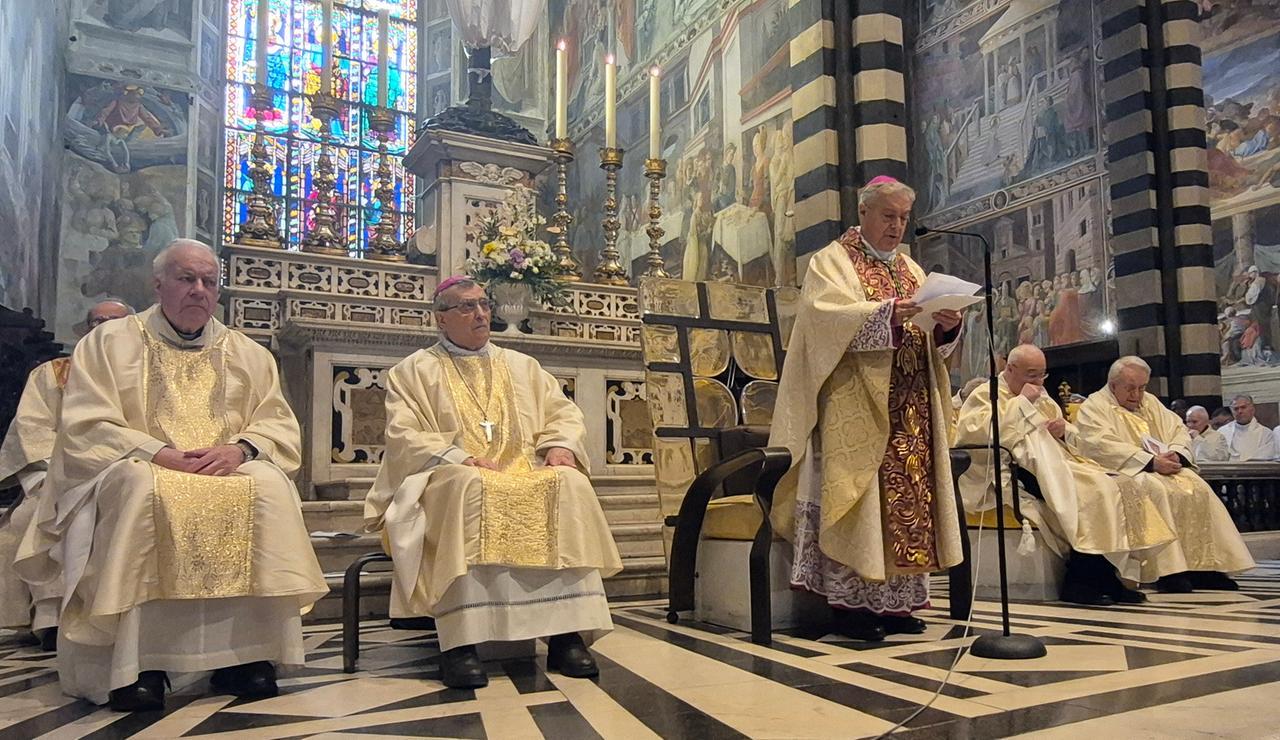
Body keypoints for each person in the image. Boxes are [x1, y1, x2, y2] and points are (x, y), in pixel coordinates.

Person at [16, 239, 328, 711]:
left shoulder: (248, 352)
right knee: (143, 489)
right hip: (135, 463)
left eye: (209, 281)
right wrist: (156, 452)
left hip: (224, 467)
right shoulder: (109, 343)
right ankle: (139, 665)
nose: (199, 290)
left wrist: (240, 449)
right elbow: (86, 424)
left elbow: (276, 422)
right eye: (186, 279)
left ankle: (246, 656)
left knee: (269, 487)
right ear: (158, 283)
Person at [366, 277, 623, 689]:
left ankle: (565, 634)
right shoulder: (414, 372)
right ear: (441, 319)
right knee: (470, 485)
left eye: (484, 304)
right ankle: (460, 642)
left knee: (569, 483)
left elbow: (564, 413)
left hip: (522, 469)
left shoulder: (522, 366)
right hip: (448, 474)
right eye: (467, 307)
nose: (481, 314)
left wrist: (560, 447)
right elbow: (404, 434)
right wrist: (459, 456)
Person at [768, 177, 966, 642]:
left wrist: (946, 327)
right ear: (863, 213)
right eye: (888, 216)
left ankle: (896, 606)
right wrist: (883, 314)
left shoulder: (912, 269)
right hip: (855, 404)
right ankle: (853, 609)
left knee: (908, 504)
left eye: (902, 218)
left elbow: (935, 345)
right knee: (862, 504)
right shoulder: (831, 262)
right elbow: (821, 321)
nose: (897, 227)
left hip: (912, 407)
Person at [956, 345, 1175, 605]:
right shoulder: (986, 393)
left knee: (1121, 485)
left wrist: (1064, 430)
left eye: (1042, 375)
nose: (1038, 382)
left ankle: (1109, 577)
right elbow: (973, 433)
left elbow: (1068, 435)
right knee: (1092, 493)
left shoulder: (1044, 396)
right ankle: (1081, 583)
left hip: (1057, 463)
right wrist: (1022, 403)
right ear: (1010, 369)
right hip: (1011, 470)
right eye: (1031, 375)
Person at [0, 300, 134, 649]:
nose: (102, 327)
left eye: (113, 322)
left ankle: (121, 614)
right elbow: (32, 428)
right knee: (35, 513)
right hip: (60, 474)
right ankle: (51, 616)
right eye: (96, 321)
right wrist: (51, 476)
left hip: (123, 473)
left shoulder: (145, 374)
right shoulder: (52, 374)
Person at [1074, 356, 1255, 592]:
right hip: (1128, 472)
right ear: (1113, 384)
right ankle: (1168, 571)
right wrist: (1150, 462)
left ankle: (1206, 567)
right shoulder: (1095, 407)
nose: (1137, 395)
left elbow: (1178, 429)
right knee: (1156, 489)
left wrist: (1177, 455)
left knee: (1197, 487)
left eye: (1142, 387)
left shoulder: (1150, 402)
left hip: (1163, 467)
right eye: (1130, 388)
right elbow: (1098, 443)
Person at [1220, 395, 1279, 461]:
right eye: (1236, 409)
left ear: (1252, 410)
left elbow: (1267, 456)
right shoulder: (1222, 432)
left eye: (1243, 407)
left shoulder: (1266, 433)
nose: (1240, 411)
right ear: (1232, 412)